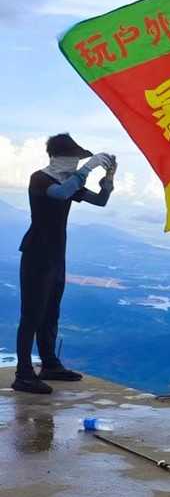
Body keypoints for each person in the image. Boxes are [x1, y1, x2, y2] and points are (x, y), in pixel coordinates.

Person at [13, 133, 117, 394]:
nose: (75, 164)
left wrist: (108, 179)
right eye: (73, 158)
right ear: (58, 157)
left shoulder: (69, 182)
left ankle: (49, 364)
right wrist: (87, 169)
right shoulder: (41, 179)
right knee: (32, 315)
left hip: (56, 256)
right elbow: (59, 195)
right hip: (36, 255)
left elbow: (100, 201)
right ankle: (23, 374)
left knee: (51, 312)